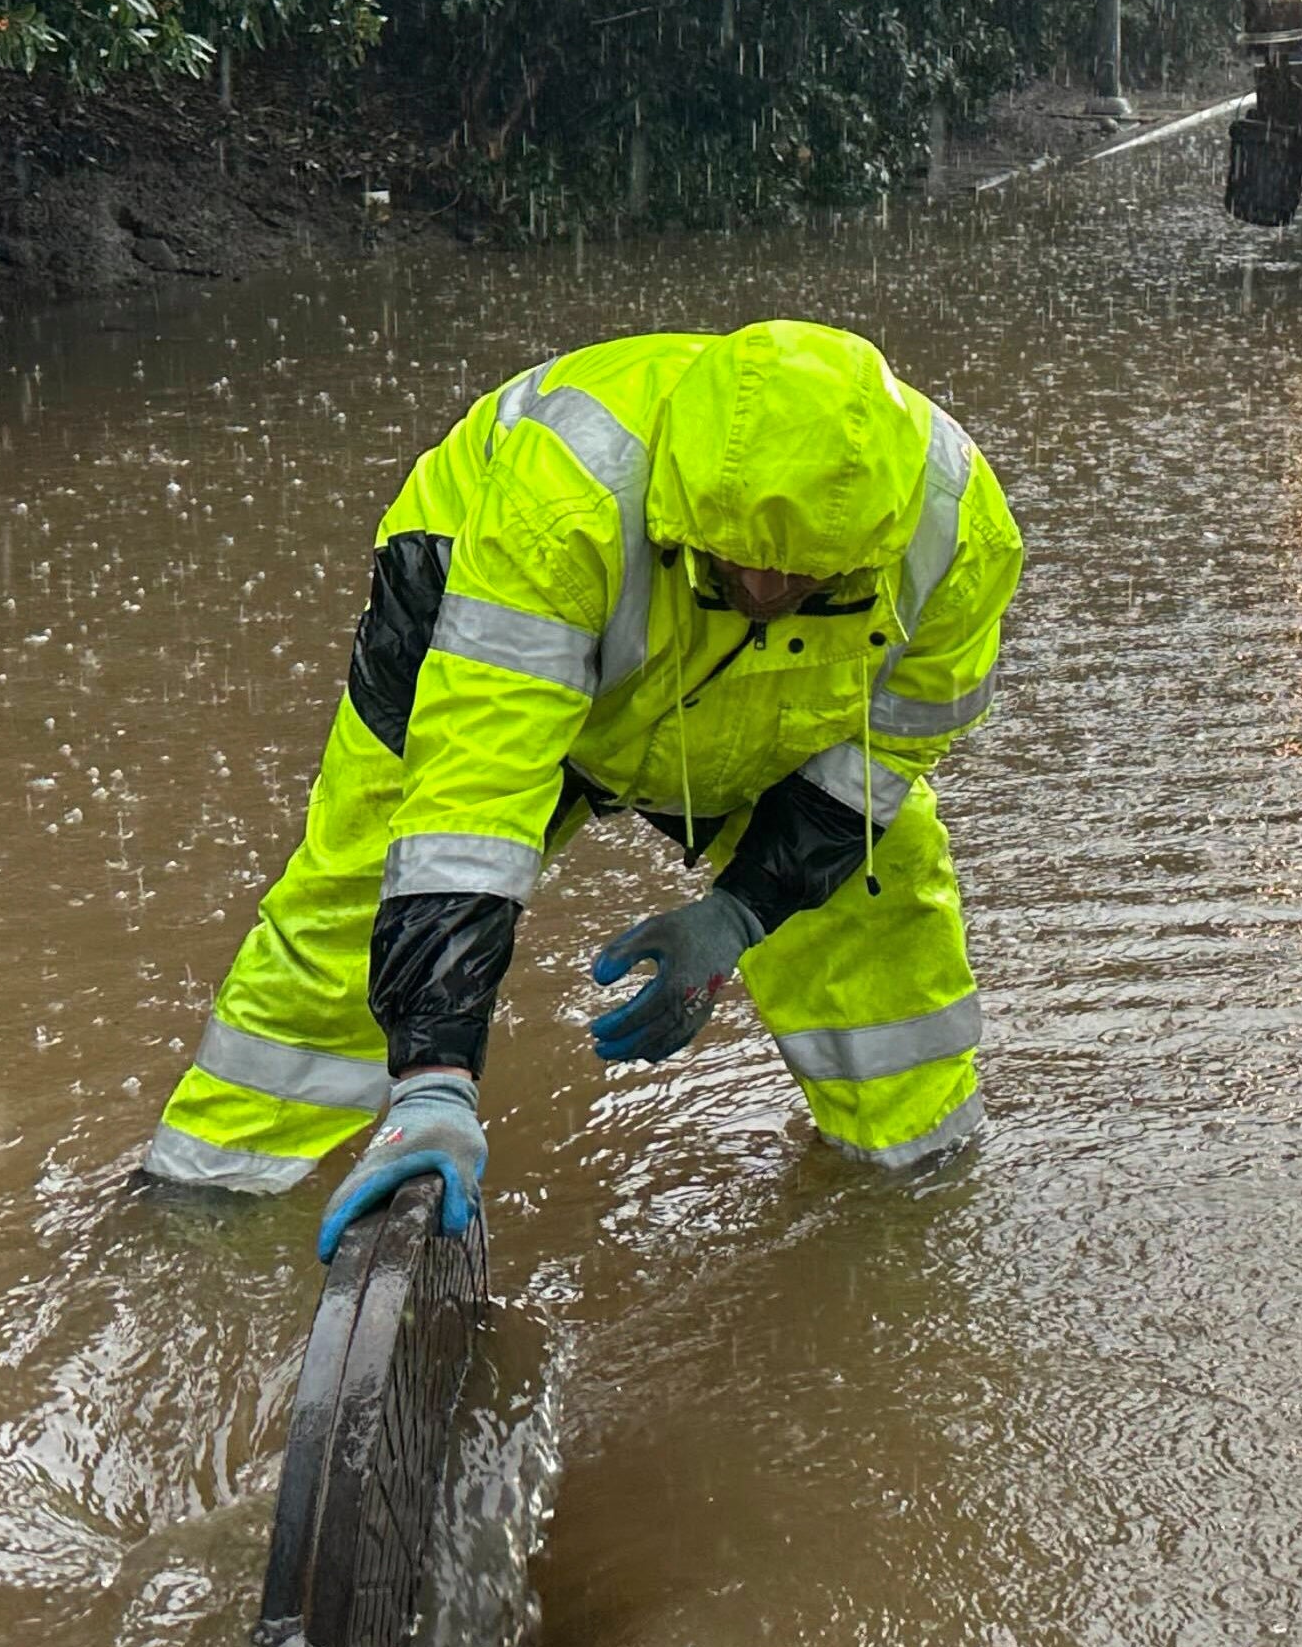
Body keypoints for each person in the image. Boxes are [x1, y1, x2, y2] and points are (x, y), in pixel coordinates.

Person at [141, 320, 1023, 1255]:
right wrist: (437, 1079)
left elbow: (874, 770)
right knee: (358, 905)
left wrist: (741, 911)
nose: (766, 586)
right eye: (741, 559)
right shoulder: (562, 495)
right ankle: (203, 1208)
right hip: (478, 605)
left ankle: (918, 1192)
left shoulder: (959, 538)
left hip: (782, 695)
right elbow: (471, 799)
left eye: (804, 573)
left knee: (875, 911)